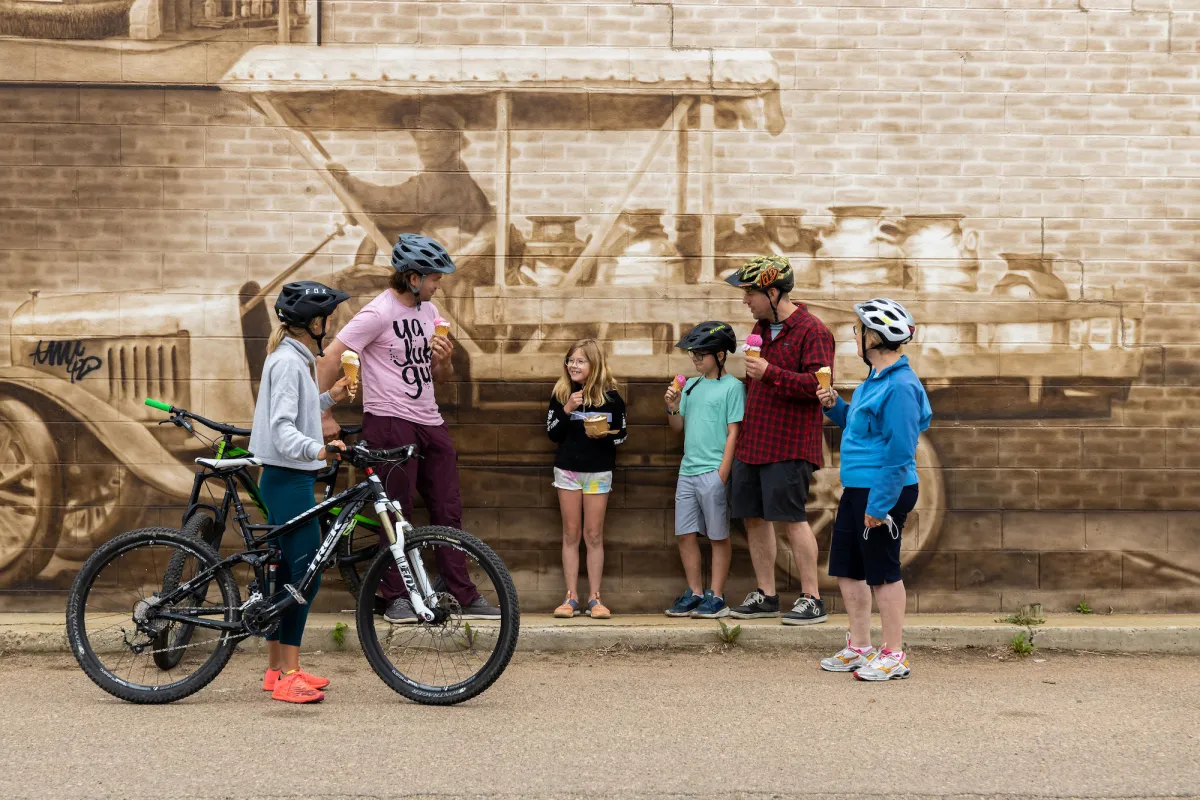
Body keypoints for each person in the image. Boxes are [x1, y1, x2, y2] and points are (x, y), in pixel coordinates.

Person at [318, 234, 501, 624]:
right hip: (388, 421)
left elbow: (439, 377)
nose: (440, 284)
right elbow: (331, 357)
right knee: (396, 511)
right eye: (435, 277)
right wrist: (323, 414)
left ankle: (459, 590)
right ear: (414, 278)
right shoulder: (377, 313)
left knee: (448, 509)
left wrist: (445, 362)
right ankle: (396, 596)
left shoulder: (426, 312)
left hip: (429, 419)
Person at [817, 298, 931, 681]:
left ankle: (895, 653)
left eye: (859, 330)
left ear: (874, 336)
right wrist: (835, 406)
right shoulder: (874, 381)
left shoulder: (900, 386)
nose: (855, 336)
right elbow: (860, 425)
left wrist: (880, 505)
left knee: (882, 571)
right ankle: (860, 646)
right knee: (849, 568)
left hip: (883, 490)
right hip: (858, 487)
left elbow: (900, 452)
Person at [250, 281, 352, 704]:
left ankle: (277, 670)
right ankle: (289, 674)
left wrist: (330, 397)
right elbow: (283, 428)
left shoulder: (294, 359)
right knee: (304, 578)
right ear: (313, 322)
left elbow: (299, 412)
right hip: (288, 477)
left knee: (286, 576)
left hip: (285, 477)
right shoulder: (290, 364)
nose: (331, 324)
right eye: (328, 317)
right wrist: (320, 448)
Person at [723, 255, 835, 625]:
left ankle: (812, 597)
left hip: (788, 442)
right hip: (754, 441)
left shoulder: (812, 331)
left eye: (750, 292)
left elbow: (817, 386)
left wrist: (771, 373)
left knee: (791, 518)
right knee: (753, 518)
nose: (745, 300)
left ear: (773, 292)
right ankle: (767, 594)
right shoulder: (759, 327)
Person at [663, 322, 744, 619]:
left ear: (720, 355)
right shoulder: (692, 386)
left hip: (713, 472)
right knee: (685, 534)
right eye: (692, 354)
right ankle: (696, 592)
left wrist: (722, 474)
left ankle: (717, 595)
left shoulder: (734, 387)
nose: (695, 358)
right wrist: (672, 406)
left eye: (701, 353)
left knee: (718, 535)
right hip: (687, 471)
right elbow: (678, 426)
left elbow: (734, 432)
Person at [546, 338, 627, 619]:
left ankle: (595, 598)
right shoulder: (561, 393)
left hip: (598, 471)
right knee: (571, 534)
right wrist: (567, 408)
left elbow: (622, 435)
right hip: (567, 471)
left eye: (580, 361)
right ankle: (570, 598)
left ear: (594, 365)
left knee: (593, 535)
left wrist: (605, 436)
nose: (573, 366)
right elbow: (552, 432)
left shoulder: (612, 397)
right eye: (571, 360)